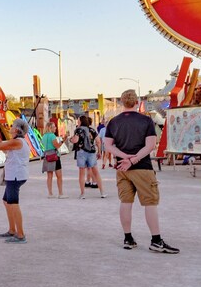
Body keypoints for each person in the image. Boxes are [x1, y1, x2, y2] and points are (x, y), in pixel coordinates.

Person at [104, 89, 179, 254]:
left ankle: (128, 238)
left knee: (125, 203)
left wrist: (124, 157)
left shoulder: (113, 122)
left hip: (122, 168)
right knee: (150, 203)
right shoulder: (146, 121)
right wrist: (133, 159)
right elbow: (150, 145)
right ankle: (156, 240)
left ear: (123, 102)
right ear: (137, 102)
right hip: (142, 167)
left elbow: (108, 145)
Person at [0, 118, 31, 243]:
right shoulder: (17, 141)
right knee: (6, 201)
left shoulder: (17, 142)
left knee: (13, 203)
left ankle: (20, 234)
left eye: (12, 126)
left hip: (15, 176)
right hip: (15, 175)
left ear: (17, 129)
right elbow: (5, 148)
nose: (10, 128)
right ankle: (12, 230)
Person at [71, 115, 105, 199]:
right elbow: (98, 141)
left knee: (81, 173)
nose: (77, 122)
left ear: (81, 121)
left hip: (81, 152)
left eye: (78, 120)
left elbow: (75, 140)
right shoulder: (92, 130)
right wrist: (99, 151)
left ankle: (82, 194)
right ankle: (102, 192)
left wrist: (70, 139)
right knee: (96, 172)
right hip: (91, 152)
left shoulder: (78, 130)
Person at [41, 121, 67, 198]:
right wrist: (63, 140)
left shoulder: (44, 136)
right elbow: (57, 146)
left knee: (49, 175)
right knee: (59, 175)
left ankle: (50, 193)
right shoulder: (52, 136)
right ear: (50, 128)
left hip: (47, 156)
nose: (55, 128)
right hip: (54, 156)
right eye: (54, 127)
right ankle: (60, 193)